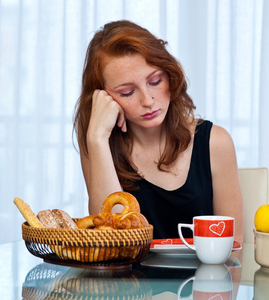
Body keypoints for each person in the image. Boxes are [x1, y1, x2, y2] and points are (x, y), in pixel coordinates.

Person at [73, 20, 244, 242]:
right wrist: (96, 139)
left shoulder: (215, 142)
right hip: (127, 278)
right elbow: (111, 242)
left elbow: (235, 247)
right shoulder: (99, 140)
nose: (148, 100)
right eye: (126, 92)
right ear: (103, 98)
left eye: (155, 81)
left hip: (205, 277)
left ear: (169, 74)